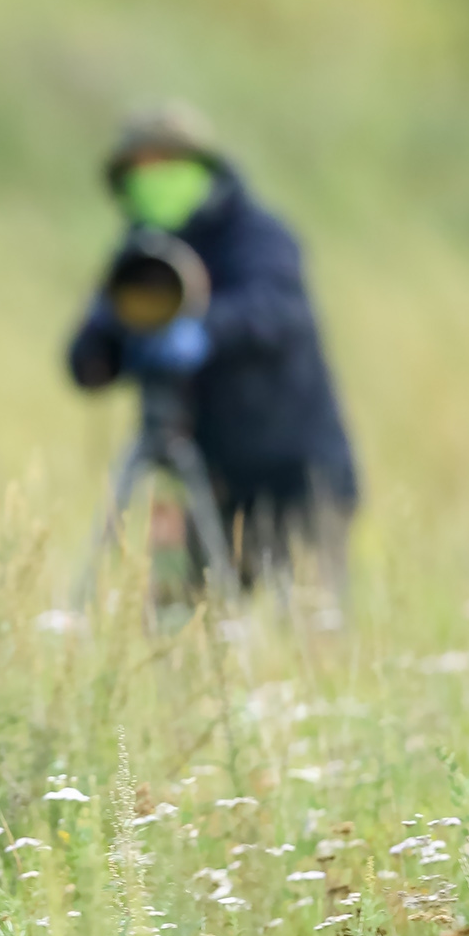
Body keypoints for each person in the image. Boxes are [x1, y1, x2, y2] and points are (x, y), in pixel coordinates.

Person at [67, 103, 358, 600]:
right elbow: (85, 362)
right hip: (199, 476)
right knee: (187, 619)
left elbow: (275, 311)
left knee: (311, 626)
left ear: (201, 168)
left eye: (167, 166)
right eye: (140, 171)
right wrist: (123, 331)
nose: (153, 180)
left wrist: (202, 330)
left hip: (292, 474)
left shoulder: (257, 236)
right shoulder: (139, 252)